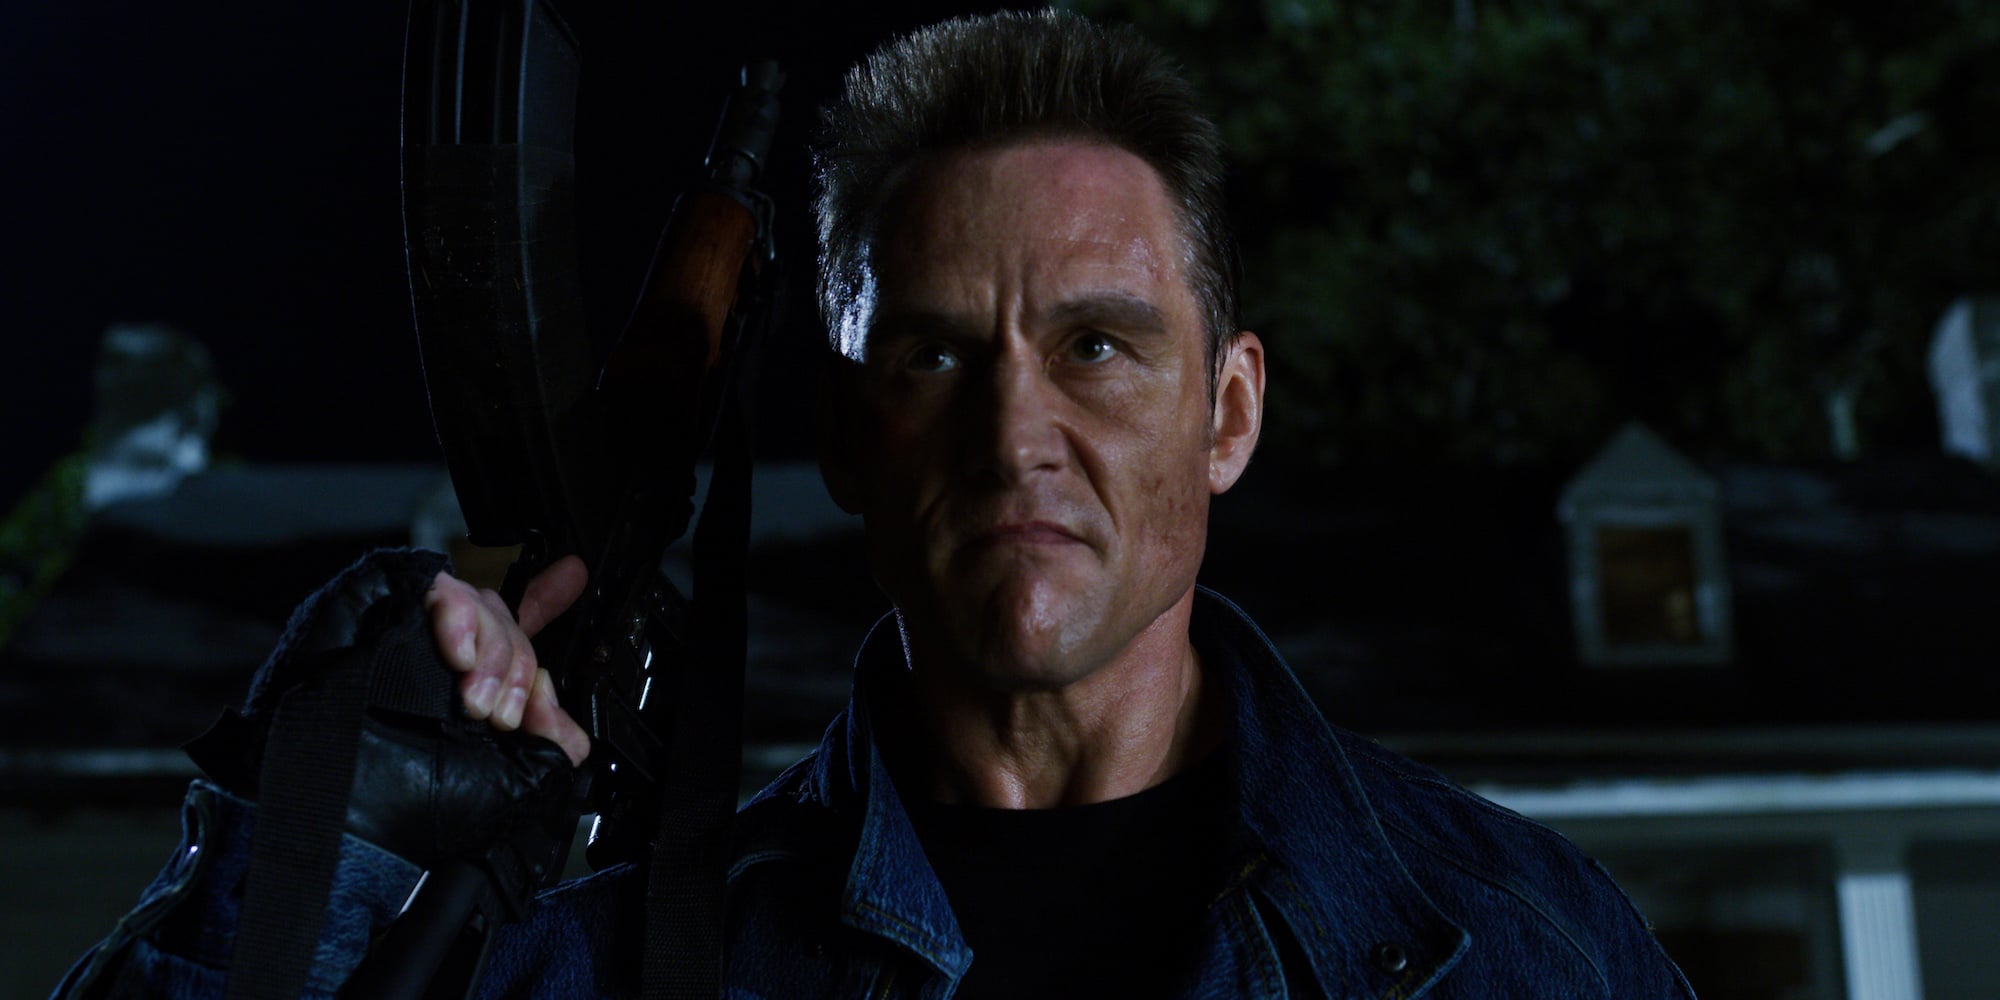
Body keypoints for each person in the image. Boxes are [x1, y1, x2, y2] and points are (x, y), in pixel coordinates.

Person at [58, 10, 1696, 998]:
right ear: (846, 436)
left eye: (1098, 346)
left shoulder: (1523, 949)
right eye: (933, 355)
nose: (1015, 433)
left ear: (1230, 412)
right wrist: (310, 857)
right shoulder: (606, 966)